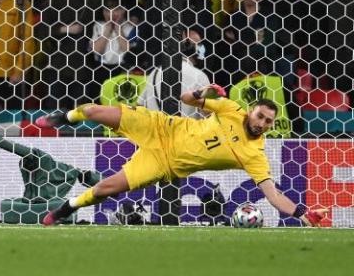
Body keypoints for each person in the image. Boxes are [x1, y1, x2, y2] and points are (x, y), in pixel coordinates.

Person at [35, 88, 329, 227]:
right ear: (251, 111)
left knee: (104, 189)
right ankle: (64, 117)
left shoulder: (255, 155)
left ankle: (65, 210)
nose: (262, 123)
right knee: (93, 111)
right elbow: (186, 100)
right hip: (162, 126)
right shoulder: (229, 108)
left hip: (165, 164)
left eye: (267, 121)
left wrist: (303, 213)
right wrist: (201, 93)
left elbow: (273, 195)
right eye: (260, 116)